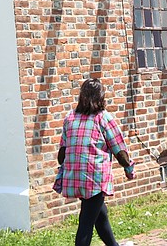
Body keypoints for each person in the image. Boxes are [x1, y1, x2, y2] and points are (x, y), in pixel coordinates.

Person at [58, 78, 135, 246]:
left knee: (100, 215)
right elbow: (119, 150)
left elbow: (62, 152)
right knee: (86, 223)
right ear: (100, 96)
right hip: (95, 178)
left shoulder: (70, 117)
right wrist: (129, 170)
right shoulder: (103, 118)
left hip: (75, 177)